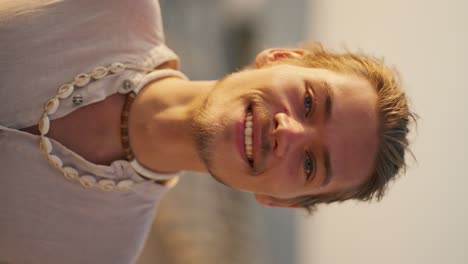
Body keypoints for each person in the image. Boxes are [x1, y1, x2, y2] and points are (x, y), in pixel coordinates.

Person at [0, 0, 414, 263]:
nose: (287, 132)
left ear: (277, 201)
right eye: (309, 102)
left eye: (310, 163)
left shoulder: (98, 253)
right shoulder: (113, 7)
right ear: (279, 57)